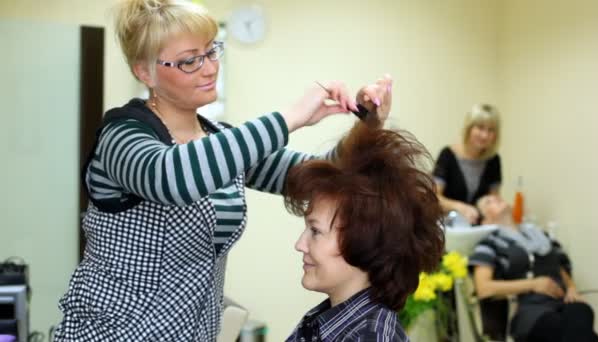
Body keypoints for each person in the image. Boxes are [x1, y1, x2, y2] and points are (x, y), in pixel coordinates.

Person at [53, 0, 393, 341]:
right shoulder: (123, 136)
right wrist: (292, 117)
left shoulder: (221, 142)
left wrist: (368, 124)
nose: (209, 68)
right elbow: (172, 178)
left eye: (211, 51)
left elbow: (317, 178)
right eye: (190, 61)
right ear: (145, 71)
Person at [283, 122, 445, 341]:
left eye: (315, 231)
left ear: (364, 239)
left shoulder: (371, 336)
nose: (300, 244)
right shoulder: (323, 322)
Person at [469, 194, 598, 342]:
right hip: (529, 310)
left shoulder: (540, 235)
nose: (496, 198)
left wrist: (571, 287)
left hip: (561, 302)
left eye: (497, 197)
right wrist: (534, 284)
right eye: (489, 202)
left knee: (582, 310)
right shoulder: (489, 244)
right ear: (485, 219)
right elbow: (483, 288)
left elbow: (558, 264)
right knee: (566, 328)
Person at [433, 104, 501, 224]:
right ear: (469, 128)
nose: (485, 135)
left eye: (491, 130)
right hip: (448, 226)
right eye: (480, 128)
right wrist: (460, 207)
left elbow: (493, 200)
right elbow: (434, 197)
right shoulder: (447, 155)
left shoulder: (494, 160)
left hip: (478, 228)